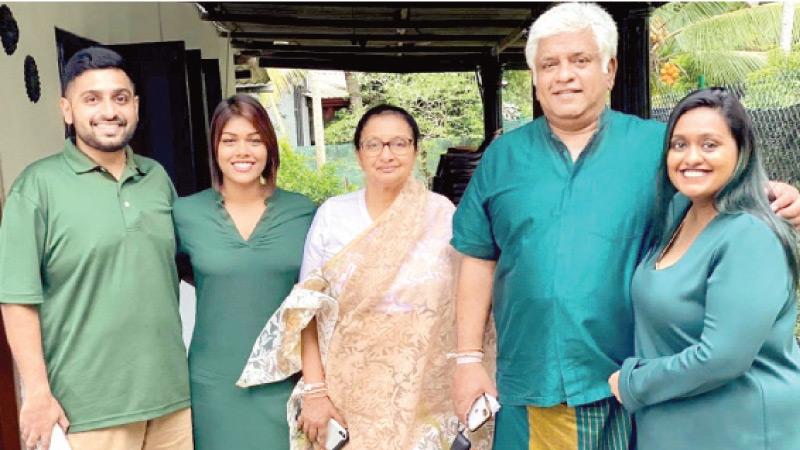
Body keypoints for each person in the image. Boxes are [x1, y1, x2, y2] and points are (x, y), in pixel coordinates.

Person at [449, 3, 800, 449]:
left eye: (580, 61)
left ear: (610, 69)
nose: (564, 76)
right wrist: (466, 359)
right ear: (534, 76)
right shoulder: (503, 158)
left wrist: (779, 194)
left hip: (643, 381)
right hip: (535, 381)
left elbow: (717, 183)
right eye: (549, 65)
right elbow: (478, 255)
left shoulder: (657, 147)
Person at [237, 104, 494, 450]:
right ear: (358, 154)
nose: (386, 154)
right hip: (349, 395)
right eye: (374, 144)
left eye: (399, 143)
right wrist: (315, 391)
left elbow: (466, 301)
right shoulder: (333, 216)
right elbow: (307, 308)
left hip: (423, 393)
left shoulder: (442, 215)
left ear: (417, 151)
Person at [0, 47, 191, 450]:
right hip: (85, 411)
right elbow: (17, 298)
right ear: (67, 110)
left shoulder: (156, 178)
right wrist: (37, 394)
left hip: (173, 402)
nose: (109, 111)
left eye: (120, 98)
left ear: (136, 107)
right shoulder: (37, 188)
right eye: (92, 99)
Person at [607, 88, 800, 449]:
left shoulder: (749, 234)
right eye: (679, 145)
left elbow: (722, 357)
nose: (691, 157)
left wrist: (633, 383)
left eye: (710, 145)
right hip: (677, 429)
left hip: (738, 433)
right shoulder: (678, 212)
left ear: (741, 152)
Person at [173, 94, 315, 450]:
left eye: (255, 140)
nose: (243, 151)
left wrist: (317, 385)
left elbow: (318, 304)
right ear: (214, 148)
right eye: (229, 140)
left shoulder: (304, 212)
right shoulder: (185, 214)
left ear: (269, 147)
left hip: (285, 381)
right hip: (214, 384)